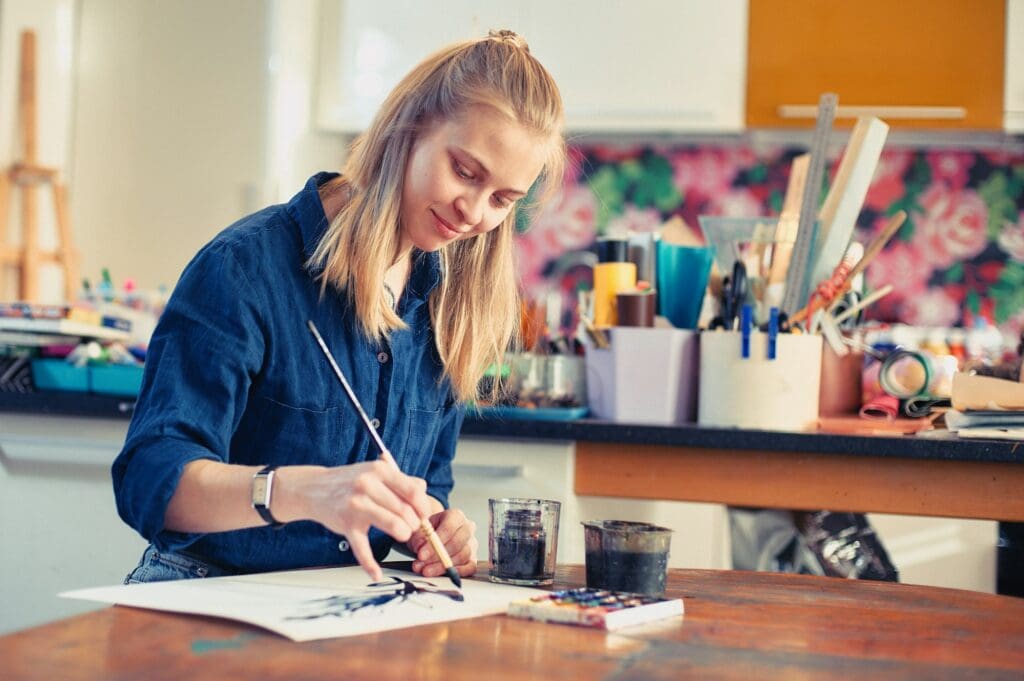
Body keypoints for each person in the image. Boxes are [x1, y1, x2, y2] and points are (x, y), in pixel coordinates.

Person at [112, 30, 565, 584]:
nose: (473, 212)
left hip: (344, 603)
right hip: (206, 591)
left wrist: (433, 528)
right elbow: (149, 482)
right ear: (409, 128)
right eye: (464, 172)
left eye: (502, 200)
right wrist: (299, 491)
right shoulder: (243, 269)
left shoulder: (450, 305)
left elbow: (425, 483)